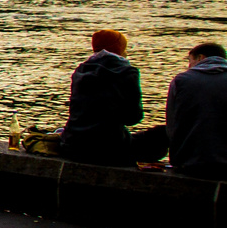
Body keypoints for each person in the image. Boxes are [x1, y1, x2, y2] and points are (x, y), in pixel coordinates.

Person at [58, 29, 168, 166]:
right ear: (120, 48)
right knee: (163, 132)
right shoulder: (126, 71)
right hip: (110, 150)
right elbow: (133, 118)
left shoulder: (80, 71)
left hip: (72, 145)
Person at [166, 42, 227, 179]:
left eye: (190, 60)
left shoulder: (182, 80)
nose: (189, 66)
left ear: (200, 58)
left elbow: (171, 125)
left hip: (191, 164)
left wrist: (176, 159)